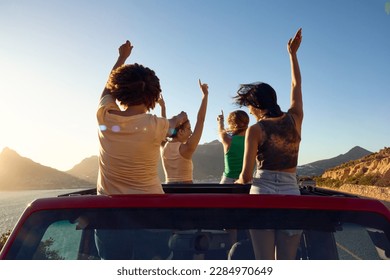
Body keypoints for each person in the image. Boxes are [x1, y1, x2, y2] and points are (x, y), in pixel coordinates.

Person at [234, 28, 303, 260]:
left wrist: (236, 183)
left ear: (255, 105)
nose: (250, 111)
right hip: (292, 194)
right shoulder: (294, 119)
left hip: (262, 193)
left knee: (264, 263)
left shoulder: (256, 130)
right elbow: (296, 86)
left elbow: (245, 176)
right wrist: (292, 55)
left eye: (249, 106)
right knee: (286, 264)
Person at [96, 40, 188, 195]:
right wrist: (181, 116)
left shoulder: (105, 116)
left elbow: (107, 90)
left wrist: (122, 58)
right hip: (149, 206)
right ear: (154, 95)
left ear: (118, 89)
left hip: (108, 209)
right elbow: (174, 121)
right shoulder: (155, 125)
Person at [161, 80, 209, 184]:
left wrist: (163, 107)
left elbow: (164, 127)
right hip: (186, 192)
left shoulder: (164, 145)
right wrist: (205, 95)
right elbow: (201, 120)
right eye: (189, 128)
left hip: (168, 191)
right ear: (181, 132)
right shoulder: (186, 149)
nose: (191, 132)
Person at [217, 110, 250, 184]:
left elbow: (221, 131)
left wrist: (220, 121)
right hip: (246, 182)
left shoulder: (228, 140)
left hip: (228, 181)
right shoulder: (252, 141)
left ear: (232, 124)